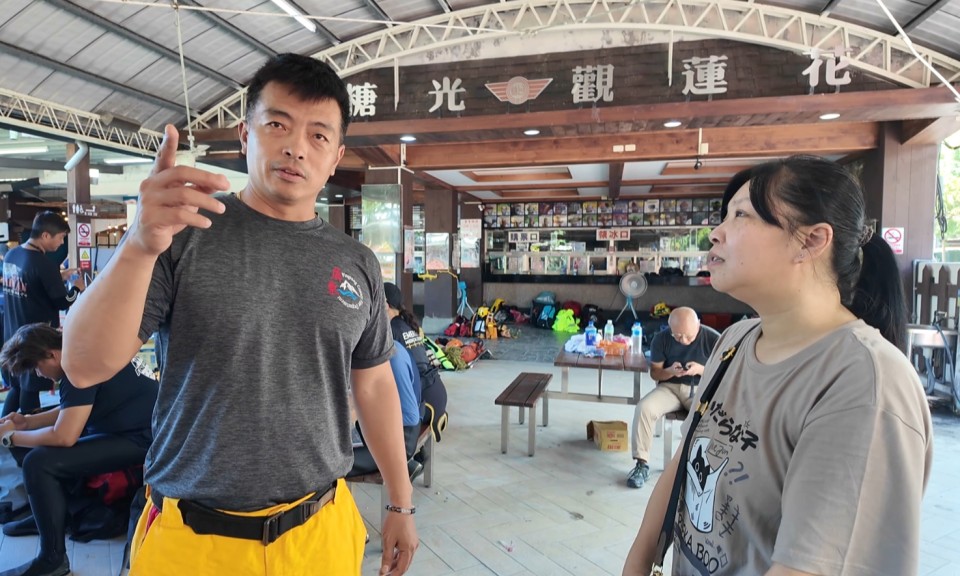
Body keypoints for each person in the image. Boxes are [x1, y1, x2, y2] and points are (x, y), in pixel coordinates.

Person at [60, 54, 418, 576]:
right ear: (246, 135)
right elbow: (83, 366)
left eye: (318, 135)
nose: (296, 147)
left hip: (320, 532)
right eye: (278, 125)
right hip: (192, 540)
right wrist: (138, 244)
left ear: (336, 156)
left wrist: (400, 502)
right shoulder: (182, 234)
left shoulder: (356, 261)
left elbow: (375, 383)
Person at [622, 156, 933, 576]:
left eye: (741, 215)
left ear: (811, 241)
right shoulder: (735, 341)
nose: (715, 233)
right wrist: (639, 562)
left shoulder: (864, 384)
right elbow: (683, 462)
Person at [0, 323, 158, 576]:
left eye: (37, 367)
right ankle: (50, 517)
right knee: (51, 448)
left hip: (143, 440)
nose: (39, 374)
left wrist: (11, 438)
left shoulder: (77, 367)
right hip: (136, 428)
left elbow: (64, 436)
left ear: (51, 354)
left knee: (38, 462)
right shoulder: (85, 350)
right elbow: (74, 408)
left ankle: (52, 560)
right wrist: (26, 422)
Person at [2, 211, 84, 417]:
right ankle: (27, 433)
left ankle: (4, 426)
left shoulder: (12, 255)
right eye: (61, 238)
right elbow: (62, 302)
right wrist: (77, 288)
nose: (61, 243)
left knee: (18, 386)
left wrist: (58, 276)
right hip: (35, 339)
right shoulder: (43, 263)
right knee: (29, 391)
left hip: (12, 334)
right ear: (46, 235)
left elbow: (28, 281)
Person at [627, 307, 719, 489]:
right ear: (670, 328)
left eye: (689, 337)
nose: (683, 341)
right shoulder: (661, 339)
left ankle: (700, 465)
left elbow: (726, 371)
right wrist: (669, 371)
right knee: (644, 408)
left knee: (709, 416)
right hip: (669, 388)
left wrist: (700, 370)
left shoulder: (713, 338)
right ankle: (641, 464)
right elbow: (655, 373)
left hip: (699, 389)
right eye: (677, 336)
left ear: (698, 325)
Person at [384, 282, 449, 441]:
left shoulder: (391, 331)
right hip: (437, 392)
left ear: (385, 305)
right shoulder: (406, 324)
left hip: (425, 402)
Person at [349, 341, 423, 477]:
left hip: (401, 438)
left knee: (335, 465)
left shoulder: (393, 358)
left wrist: (363, 415)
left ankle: (401, 466)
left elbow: (411, 417)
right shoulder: (373, 351)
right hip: (381, 431)